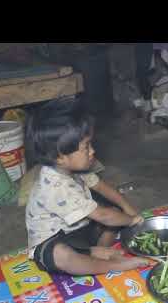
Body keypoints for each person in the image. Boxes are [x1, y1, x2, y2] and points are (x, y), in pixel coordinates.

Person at [25, 98, 149, 276]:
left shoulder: (73, 167)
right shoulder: (56, 186)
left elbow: (102, 187)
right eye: (86, 147)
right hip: (51, 242)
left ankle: (94, 252)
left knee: (114, 214)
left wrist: (127, 209)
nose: (93, 151)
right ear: (60, 157)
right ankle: (112, 265)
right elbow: (103, 216)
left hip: (76, 230)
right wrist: (132, 221)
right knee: (62, 254)